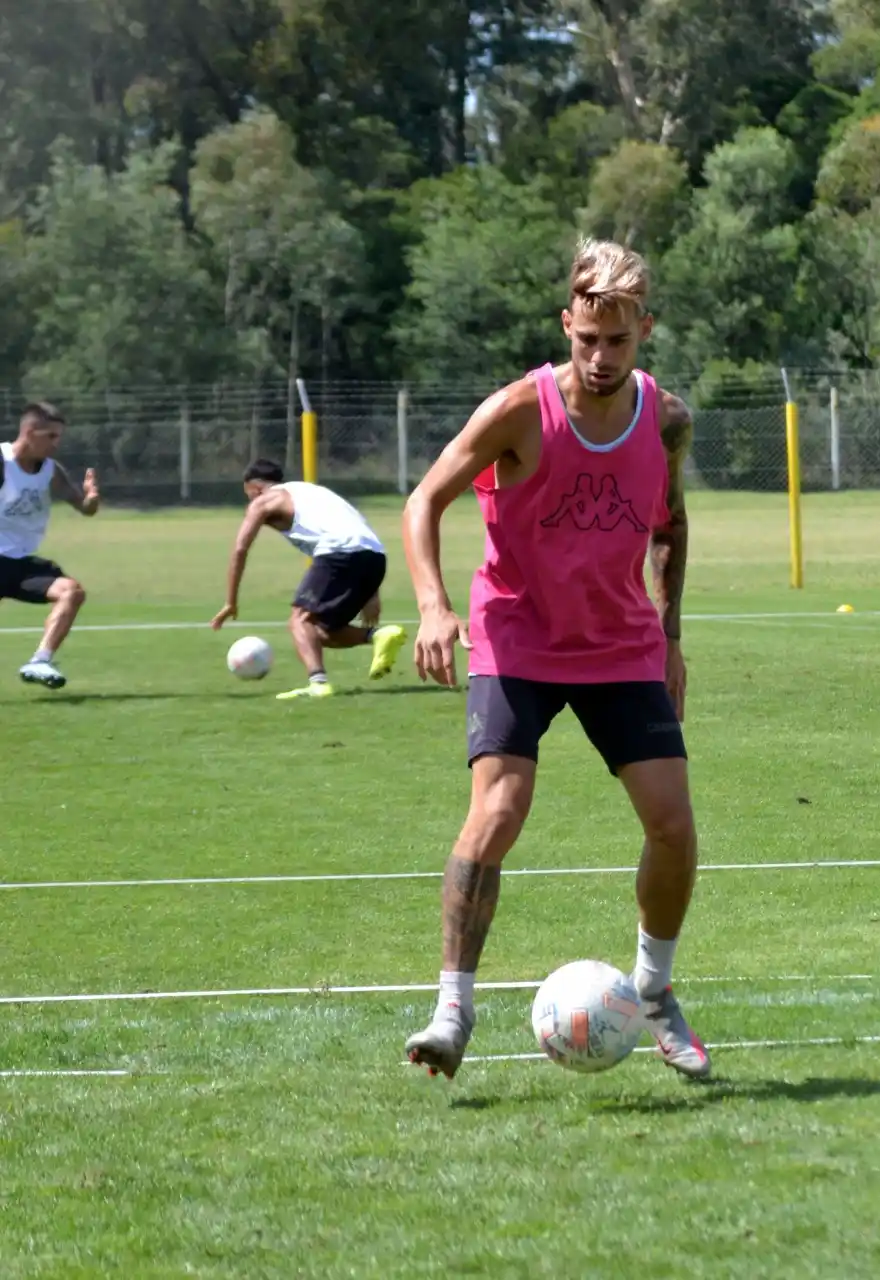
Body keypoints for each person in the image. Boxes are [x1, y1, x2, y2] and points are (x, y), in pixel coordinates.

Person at [402, 237, 710, 1082]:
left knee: (673, 826)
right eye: (586, 339)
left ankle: (652, 991)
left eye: (618, 341)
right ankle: (451, 1012)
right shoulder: (517, 409)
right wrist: (431, 604)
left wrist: (671, 634)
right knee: (498, 811)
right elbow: (425, 499)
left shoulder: (667, 417)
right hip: (516, 634)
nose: (600, 357)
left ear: (644, 329)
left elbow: (670, 523)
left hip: (617, 643)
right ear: (565, 322)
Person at [211, 460, 405, 698]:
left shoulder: (263, 501)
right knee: (320, 631)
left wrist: (231, 602)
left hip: (339, 552)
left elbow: (240, 549)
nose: (250, 502)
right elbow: (355, 528)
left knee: (299, 620)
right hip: (374, 556)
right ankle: (378, 636)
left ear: (255, 488)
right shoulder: (311, 491)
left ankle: (318, 683)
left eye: (248, 495)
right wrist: (371, 591)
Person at [0, 401, 100, 689]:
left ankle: (40, 660)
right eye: (51, 436)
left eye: (59, 437)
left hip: (20, 565)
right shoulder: (2, 461)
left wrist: (91, 500)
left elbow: (84, 508)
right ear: (30, 431)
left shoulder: (50, 471)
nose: (56, 444)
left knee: (71, 592)